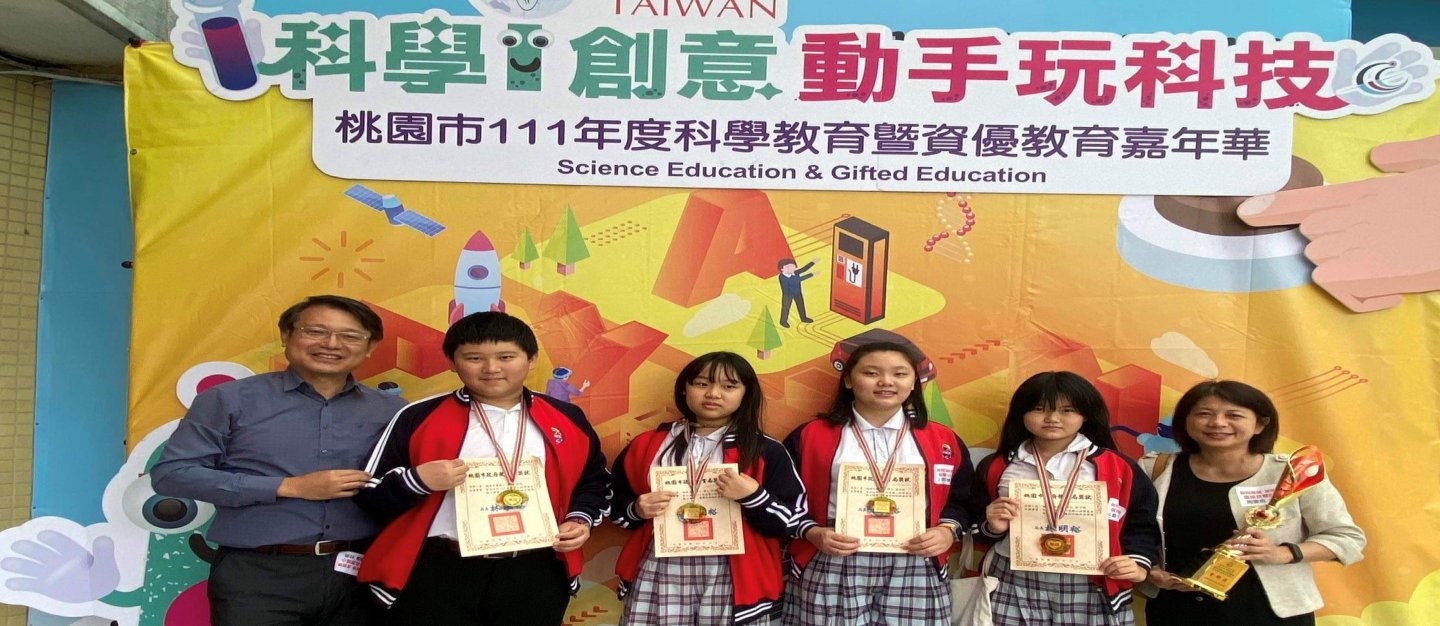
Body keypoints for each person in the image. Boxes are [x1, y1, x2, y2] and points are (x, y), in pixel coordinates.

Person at [151, 295, 406, 626]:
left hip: (363, 574)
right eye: (316, 331)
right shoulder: (228, 400)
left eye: (350, 336)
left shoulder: (394, 411)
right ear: (286, 335)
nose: (331, 344)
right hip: (258, 576)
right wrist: (289, 487)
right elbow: (173, 473)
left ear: (370, 347)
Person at [353, 311, 610, 625]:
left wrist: (579, 519)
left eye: (506, 357)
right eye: (474, 358)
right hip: (440, 567)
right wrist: (418, 480)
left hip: (536, 567)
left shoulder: (566, 416)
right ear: (452, 362)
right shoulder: (419, 416)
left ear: (531, 359)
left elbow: (594, 480)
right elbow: (369, 491)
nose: (491, 368)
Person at [1139, 380, 1366, 626]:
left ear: (1260, 424)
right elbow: (1131, 533)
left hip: (1270, 612)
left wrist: (1282, 553)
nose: (1218, 422)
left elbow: (1347, 538)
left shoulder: (1293, 473)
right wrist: (1148, 570)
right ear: (1185, 421)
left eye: (1233, 415)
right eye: (1204, 414)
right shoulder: (1154, 468)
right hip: (1177, 609)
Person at [783, 341, 973, 626]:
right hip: (835, 553)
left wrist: (947, 531)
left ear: (914, 382)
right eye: (871, 373)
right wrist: (812, 532)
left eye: (900, 374)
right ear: (848, 380)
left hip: (916, 555)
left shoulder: (943, 440)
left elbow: (964, 498)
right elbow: (783, 497)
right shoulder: (810, 435)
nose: (886, 382)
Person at [610, 351, 806, 626]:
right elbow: (613, 502)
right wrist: (637, 509)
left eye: (729, 386)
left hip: (734, 571)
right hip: (661, 562)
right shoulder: (648, 445)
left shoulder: (765, 450)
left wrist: (754, 497)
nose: (713, 393)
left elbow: (793, 520)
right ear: (684, 388)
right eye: (702, 384)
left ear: (746, 394)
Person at [973, 371, 1160, 626]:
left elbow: (1142, 522)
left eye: (1067, 410)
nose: (1052, 418)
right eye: (1039, 409)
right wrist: (992, 527)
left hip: (1092, 579)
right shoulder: (997, 466)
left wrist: (1137, 563)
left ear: (1086, 414)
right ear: (1021, 413)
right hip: (1014, 577)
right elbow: (975, 522)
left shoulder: (1117, 467)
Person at [776, 258, 815, 328]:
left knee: (801, 305)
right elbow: (797, 280)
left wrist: (813, 262)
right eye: (788, 267)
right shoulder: (782, 277)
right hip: (788, 295)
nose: (791, 268)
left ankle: (803, 318)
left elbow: (803, 269)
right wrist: (812, 274)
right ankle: (783, 321)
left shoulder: (795, 273)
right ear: (782, 269)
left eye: (792, 266)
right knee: (786, 308)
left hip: (797, 293)